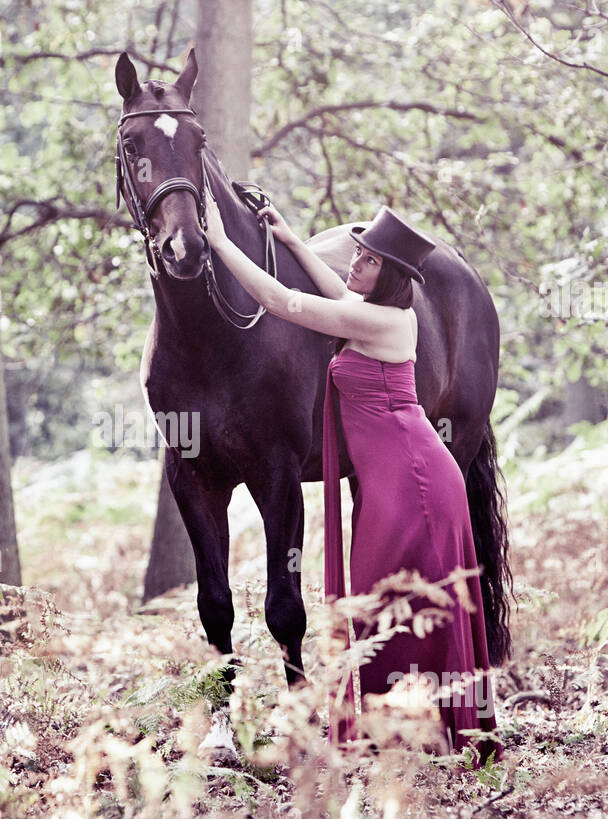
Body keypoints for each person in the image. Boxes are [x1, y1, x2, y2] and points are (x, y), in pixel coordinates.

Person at [200, 194, 502, 768]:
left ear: (386, 274)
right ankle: (404, 732)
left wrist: (221, 242)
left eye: (364, 259)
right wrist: (290, 240)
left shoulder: (380, 320)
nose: (352, 264)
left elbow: (282, 300)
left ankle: (420, 737)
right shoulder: (374, 310)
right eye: (356, 254)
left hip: (413, 482)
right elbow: (332, 293)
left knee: (400, 605)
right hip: (396, 481)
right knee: (383, 604)